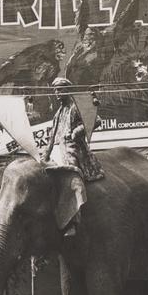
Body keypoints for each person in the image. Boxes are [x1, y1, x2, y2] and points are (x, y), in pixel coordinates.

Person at [42, 77, 104, 237]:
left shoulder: (76, 107)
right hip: (57, 149)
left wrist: (77, 131)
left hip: (72, 148)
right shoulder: (59, 112)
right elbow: (52, 135)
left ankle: (72, 221)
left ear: (68, 90)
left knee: (71, 178)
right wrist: (45, 154)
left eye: (60, 90)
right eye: (55, 90)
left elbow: (96, 120)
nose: (57, 93)